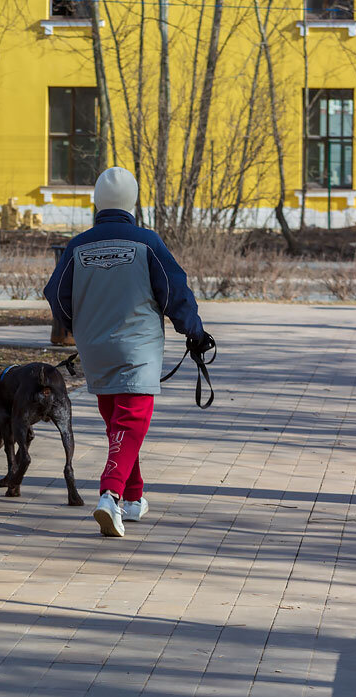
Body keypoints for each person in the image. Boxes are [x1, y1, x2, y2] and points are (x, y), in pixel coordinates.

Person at [43, 166, 214, 538]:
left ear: (97, 202)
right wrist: (195, 332)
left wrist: (77, 326)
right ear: (132, 203)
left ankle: (133, 499)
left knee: (118, 426)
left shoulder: (77, 246)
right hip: (138, 347)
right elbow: (175, 293)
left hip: (94, 349)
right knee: (131, 423)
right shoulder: (147, 242)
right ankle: (110, 495)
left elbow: (56, 294)